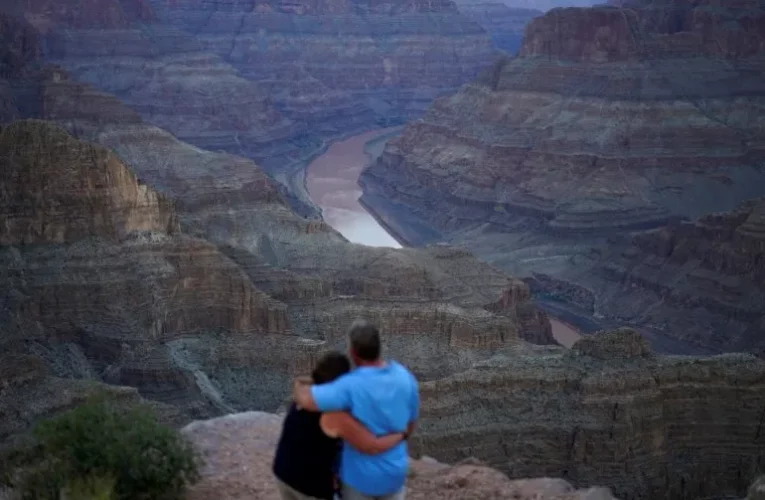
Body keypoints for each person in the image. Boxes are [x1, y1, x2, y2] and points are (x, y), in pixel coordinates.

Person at [293, 320, 420, 500]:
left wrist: (300, 384)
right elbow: (411, 423)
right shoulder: (406, 377)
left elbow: (307, 400)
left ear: (353, 352)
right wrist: (401, 436)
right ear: (379, 347)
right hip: (395, 473)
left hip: (360, 479)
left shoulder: (349, 385)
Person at [273, 350, 407, 500]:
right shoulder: (333, 412)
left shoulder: (304, 394)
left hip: (283, 473)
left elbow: (301, 381)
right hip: (308, 486)